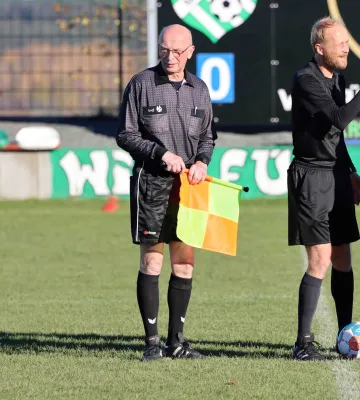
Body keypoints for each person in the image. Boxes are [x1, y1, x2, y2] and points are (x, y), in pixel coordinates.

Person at [116, 24, 217, 361]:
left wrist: (202, 161)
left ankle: (177, 342)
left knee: (185, 265)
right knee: (152, 260)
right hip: (152, 184)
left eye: (177, 51)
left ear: (190, 52)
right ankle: (151, 344)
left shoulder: (200, 89)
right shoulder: (141, 85)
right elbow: (126, 135)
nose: (170, 57)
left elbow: (207, 137)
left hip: (189, 189)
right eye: (164, 49)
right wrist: (161, 155)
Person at [287, 17, 360, 361]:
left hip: (338, 175)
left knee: (343, 257)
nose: (346, 47)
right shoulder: (306, 80)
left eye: (346, 41)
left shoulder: (338, 79)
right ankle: (303, 342)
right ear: (319, 49)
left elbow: (336, 137)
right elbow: (340, 119)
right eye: (339, 42)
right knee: (320, 259)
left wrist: (352, 170)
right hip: (312, 177)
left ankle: (346, 334)